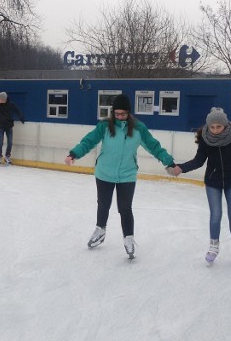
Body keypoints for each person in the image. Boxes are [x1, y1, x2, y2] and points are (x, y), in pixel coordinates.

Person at [64, 94, 176, 259]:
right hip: (104, 173)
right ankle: (100, 230)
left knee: (125, 208)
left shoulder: (138, 128)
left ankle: (128, 238)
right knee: (103, 205)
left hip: (127, 174)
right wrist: (74, 154)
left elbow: (154, 146)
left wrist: (169, 163)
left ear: (129, 113)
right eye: (116, 114)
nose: (119, 117)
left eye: (123, 114)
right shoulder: (104, 126)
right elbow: (88, 141)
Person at [167, 107, 231, 266]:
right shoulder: (205, 138)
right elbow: (199, 160)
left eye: (219, 126)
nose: (215, 130)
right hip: (213, 181)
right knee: (216, 215)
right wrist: (181, 168)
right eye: (212, 127)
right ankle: (213, 246)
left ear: (225, 125)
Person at [0, 92, 24, 165]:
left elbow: (17, 110)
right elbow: (2, 116)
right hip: (1, 126)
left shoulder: (11, 104)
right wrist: (10, 119)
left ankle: (7, 156)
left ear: (3, 99)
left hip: (9, 126)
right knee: (1, 142)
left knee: (10, 142)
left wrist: (21, 117)